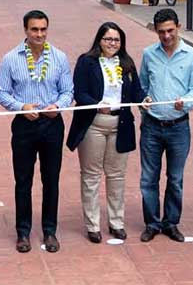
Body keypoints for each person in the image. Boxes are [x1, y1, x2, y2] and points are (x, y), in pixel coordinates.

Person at [0, 10, 74, 254]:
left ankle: (50, 230)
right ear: (25, 31)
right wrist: (21, 107)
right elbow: (1, 92)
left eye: (43, 29)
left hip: (52, 124)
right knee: (23, 180)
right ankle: (23, 232)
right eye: (34, 30)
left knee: (51, 179)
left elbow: (68, 91)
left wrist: (58, 107)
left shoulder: (59, 57)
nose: (39, 34)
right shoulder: (11, 58)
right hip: (24, 126)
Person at [67, 22, 146, 243]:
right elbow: (79, 92)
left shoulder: (127, 63)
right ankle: (92, 225)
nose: (112, 44)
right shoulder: (87, 62)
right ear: (99, 40)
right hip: (94, 124)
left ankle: (116, 222)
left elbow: (137, 91)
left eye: (117, 40)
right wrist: (95, 104)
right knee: (91, 176)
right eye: (108, 39)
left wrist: (144, 100)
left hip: (120, 124)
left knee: (117, 175)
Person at [139, 9, 193, 243]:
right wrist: (143, 102)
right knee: (148, 178)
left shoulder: (192, 55)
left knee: (175, 178)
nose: (166, 36)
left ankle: (171, 223)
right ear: (155, 31)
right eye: (161, 32)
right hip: (152, 126)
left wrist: (185, 103)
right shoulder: (148, 54)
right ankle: (152, 223)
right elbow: (143, 85)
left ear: (178, 27)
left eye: (170, 31)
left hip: (178, 127)